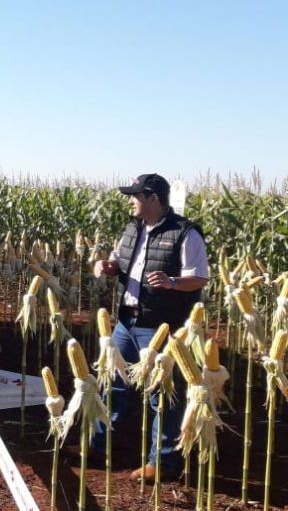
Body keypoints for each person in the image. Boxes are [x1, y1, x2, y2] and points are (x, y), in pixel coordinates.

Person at [92, 173, 209, 481]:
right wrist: (106, 266)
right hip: (126, 321)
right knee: (110, 383)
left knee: (163, 395)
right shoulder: (132, 229)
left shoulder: (185, 233)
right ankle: (100, 445)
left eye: (135, 196)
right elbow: (118, 260)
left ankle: (162, 463)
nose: (130, 201)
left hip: (159, 326)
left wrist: (172, 282)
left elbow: (198, 278)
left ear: (153, 198)